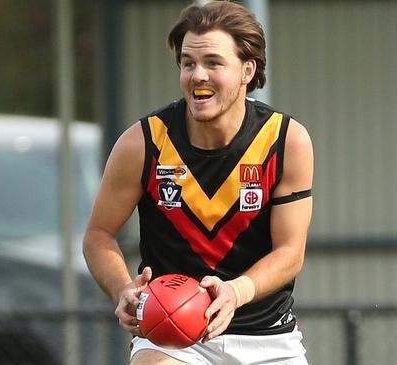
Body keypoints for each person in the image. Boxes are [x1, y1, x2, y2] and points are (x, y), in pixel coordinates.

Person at [82, 2, 314, 364]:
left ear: (246, 70)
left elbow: (290, 252)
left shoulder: (285, 140)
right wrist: (122, 288)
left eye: (213, 63)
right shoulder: (143, 143)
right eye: (188, 63)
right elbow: (98, 235)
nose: (198, 75)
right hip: (171, 338)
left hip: (269, 339)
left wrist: (235, 292)